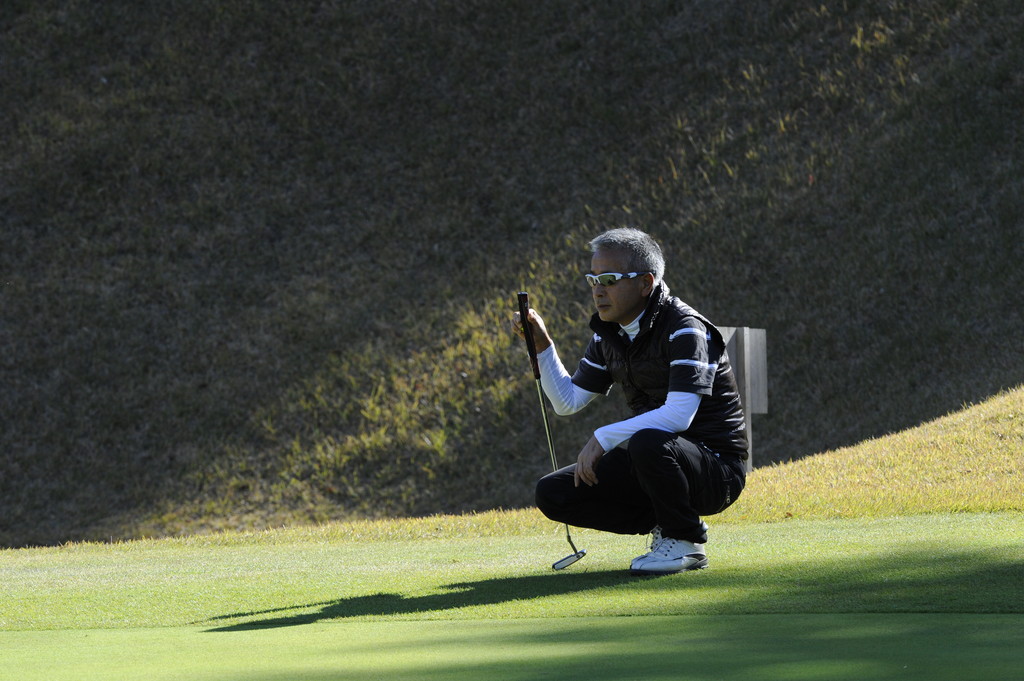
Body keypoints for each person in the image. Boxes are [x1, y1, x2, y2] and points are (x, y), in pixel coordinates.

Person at [512, 227, 748, 574]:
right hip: (655, 463)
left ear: (645, 283)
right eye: (593, 279)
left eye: (609, 279)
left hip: (717, 471)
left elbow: (679, 415)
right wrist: (543, 345)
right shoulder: (609, 334)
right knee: (554, 492)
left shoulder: (686, 328)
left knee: (647, 441)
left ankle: (685, 540)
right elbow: (567, 401)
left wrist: (602, 437)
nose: (598, 290)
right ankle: (666, 523)